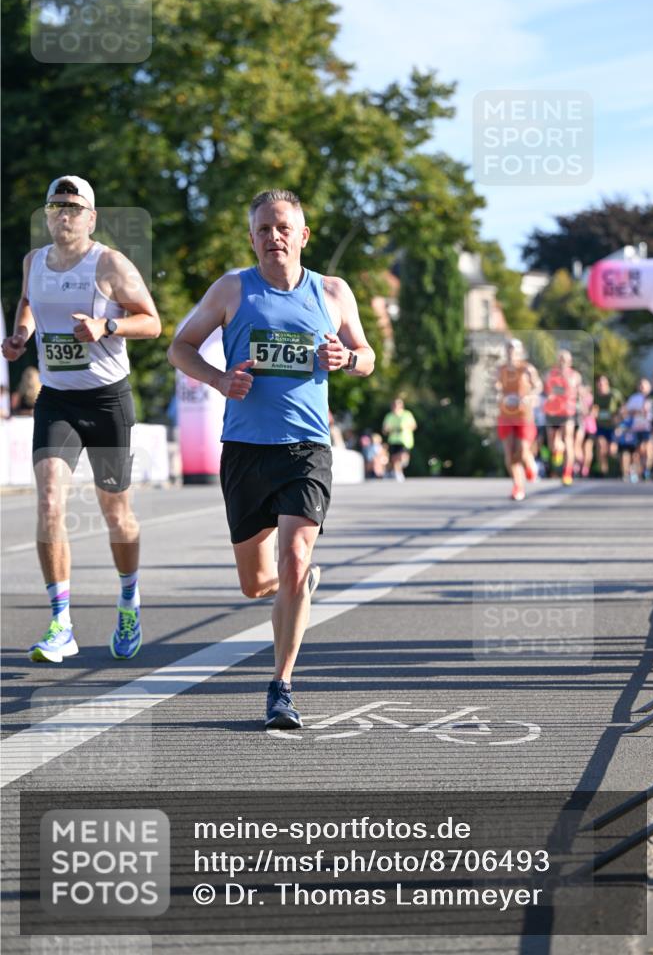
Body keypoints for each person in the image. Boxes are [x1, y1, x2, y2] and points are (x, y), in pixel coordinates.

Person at [167, 189, 375, 729]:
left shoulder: (332, 292)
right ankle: (293, 588)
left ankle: (281, 686)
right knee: (257, 583)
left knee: (294, 557)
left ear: (303, 236)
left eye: (283, 227)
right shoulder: (233, 289)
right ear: (252, 237)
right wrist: (218, 379)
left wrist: (348, 358)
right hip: (245, 450)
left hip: (307, 448)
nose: (273, 237)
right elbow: (180, 346)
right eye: (263, 229)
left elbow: (368, 356)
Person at [1, 176, 161, 663]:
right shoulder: (35, 263)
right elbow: (28, 303)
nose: (63, 214)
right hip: (57, 402)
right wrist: (20, 336)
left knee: (117, 515)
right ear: (48, 215)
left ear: (91, 218)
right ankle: (61, 623)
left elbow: (152, 322)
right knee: (50, 501)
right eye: (55, 207)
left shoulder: (109, 263)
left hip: (108, 401)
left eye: (73, 207)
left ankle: (129, 599)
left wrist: (107, 325)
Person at [495, 338, 542, 501]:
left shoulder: (527, 368)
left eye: (514, 349)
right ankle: (518, 487)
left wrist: (529, 397)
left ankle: (531, 468)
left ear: (519, 352)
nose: (510, 352)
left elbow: (538, 386)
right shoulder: (500, 369)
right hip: (506, 415)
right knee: (509, 454)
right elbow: (495, 386)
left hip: (524, 415)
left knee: (522, 450)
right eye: (508, 348)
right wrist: (497, 392)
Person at [543, 349, 582, 485]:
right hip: (553, 412)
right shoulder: (551, 374)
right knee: (554, 443)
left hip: (568, 412)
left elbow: (573, 391)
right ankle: (558, 451)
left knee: (568, 440)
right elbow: (547, 390)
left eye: (565, 360)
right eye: (560, 359)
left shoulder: (574, 375)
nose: (562, 362)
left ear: (570, 362)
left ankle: (567, 473)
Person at [592, 374, 622, 477]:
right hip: (601, 426)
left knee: (612, 451)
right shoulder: (595, 396)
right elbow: (593, 409)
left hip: (612, 427)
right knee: (601, 447)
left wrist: (619, 420)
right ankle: (603, 471)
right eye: (599, 384)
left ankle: (619, 467)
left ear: (607, 383)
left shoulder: (614, 394)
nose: (601, 385)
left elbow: (622, 408)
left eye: (603, 383)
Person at [382, 397, 417, 481]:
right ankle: (398, 473)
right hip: (393, 440)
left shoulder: (407, 414)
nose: (395, 407)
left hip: (405, 440)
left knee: (402, 456)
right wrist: (389, 429)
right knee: (394, 458)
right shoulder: (389, 416)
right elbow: (384, 429)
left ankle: (401, 466)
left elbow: (414, 426)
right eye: (394, 405)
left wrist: (405, 427)